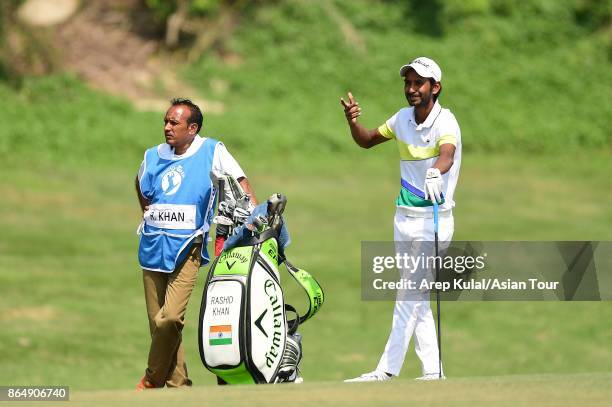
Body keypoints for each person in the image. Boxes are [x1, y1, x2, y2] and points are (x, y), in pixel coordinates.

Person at [341, 57, 461, 381]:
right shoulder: (401, 120)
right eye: (407, 83)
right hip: (403, 219)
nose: (411, 89)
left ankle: (386, 370)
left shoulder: (446, 122)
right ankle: (434, 373)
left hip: (433, 221)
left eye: (418, 83)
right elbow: (367, 140)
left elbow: (447, 153)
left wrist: (437, 169)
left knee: (409, 292)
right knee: (417, 297)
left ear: (435, 87)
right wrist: (353, 122)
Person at [134, 98, 257, 390]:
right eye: (165, 121)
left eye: (173, 123)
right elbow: (139, 183)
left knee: (171, 318)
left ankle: (152, 379)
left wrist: (254, 217)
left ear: (193, 128)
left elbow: (241, 182)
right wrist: (146, 209)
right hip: (152, 246)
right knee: (159, 325)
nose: (167, 127)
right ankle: (180, 389)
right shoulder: (153, 155)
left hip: (187, 246)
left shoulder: (212, 151)